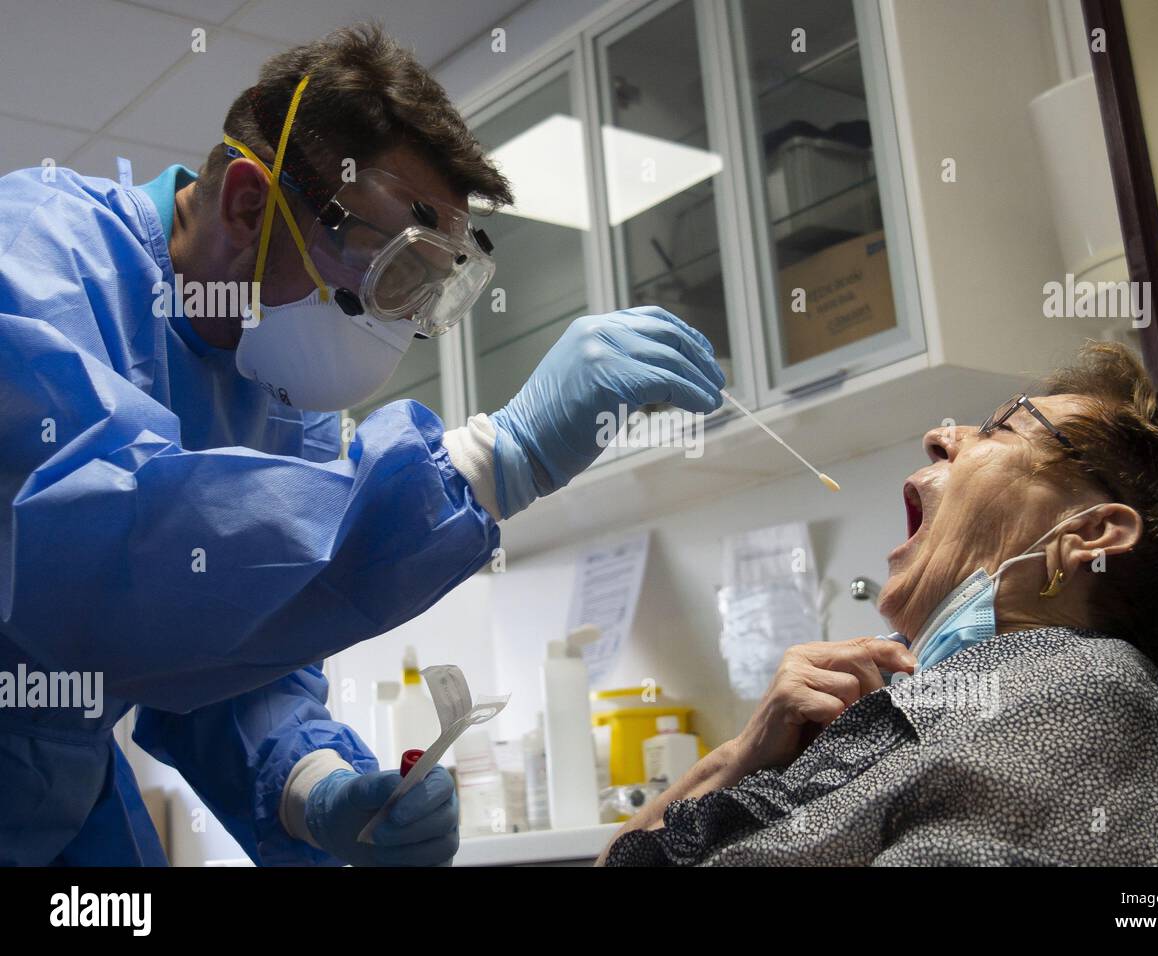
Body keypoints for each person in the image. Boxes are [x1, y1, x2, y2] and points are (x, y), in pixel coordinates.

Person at [0, 25, 723, 866]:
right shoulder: (34, 264)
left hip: (60, 798)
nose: (399, 326)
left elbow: (236, 642)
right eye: (391, 273)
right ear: (247, 205)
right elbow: (103, 564)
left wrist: (315, 789)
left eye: (427, 292)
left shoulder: (280, 387)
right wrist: (492, 462)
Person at [599, 342, 1158, 866]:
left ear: (1089, 536)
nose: (942, 435)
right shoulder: (950, 713)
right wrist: (744, 755)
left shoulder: (1084, 714)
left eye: (1002, 428)